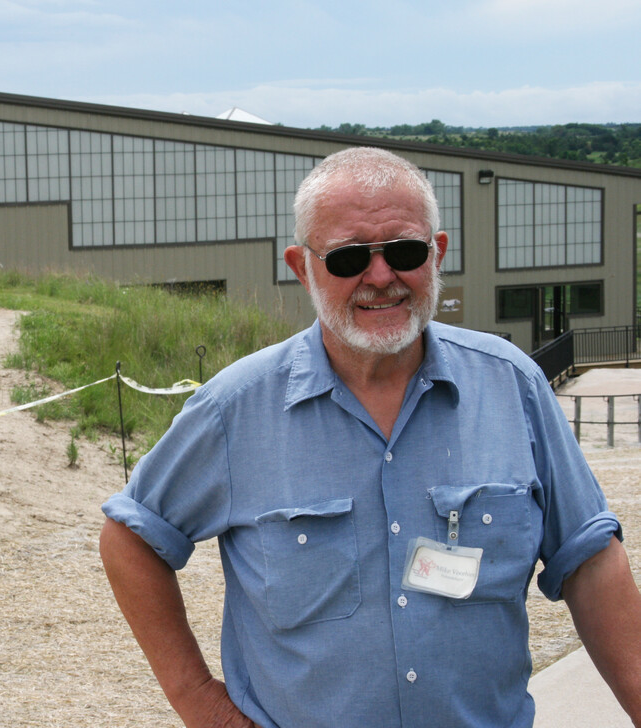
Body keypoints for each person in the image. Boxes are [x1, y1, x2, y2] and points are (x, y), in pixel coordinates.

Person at [99, 146, 641, 728]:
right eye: (348, 258)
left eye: (405, 251)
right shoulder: (236, 409)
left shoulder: (512, 386)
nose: (380, 277)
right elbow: (131, 539)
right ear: (302, 267)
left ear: (437, 256)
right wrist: (203, 705)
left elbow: (589, 563)